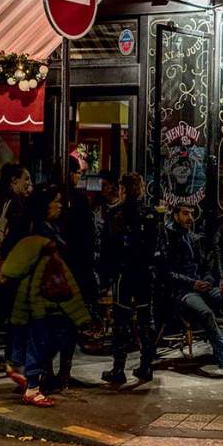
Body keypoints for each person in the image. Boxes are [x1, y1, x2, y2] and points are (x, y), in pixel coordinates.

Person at [0, 186, 90, 407]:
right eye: (56, 202)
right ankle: (32, 385)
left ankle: (25, 372)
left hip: (41, 294)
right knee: (41, 336)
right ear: (45, 206)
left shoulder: (50, 228)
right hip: (41, 294)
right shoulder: (40, 232)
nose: (60, 205)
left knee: (42, 335)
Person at [163, 203, 223, 379]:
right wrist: (193, 283)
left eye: (192, 214)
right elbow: (166, 273)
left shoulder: (193, 238)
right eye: (185, 214)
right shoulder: (168, 237)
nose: (190, 218)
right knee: (206, 313)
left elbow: (206, 267)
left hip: (202, 287)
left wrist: (208, 280)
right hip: (183, 292)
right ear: (175, 215)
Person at [101, 173, 161, 384]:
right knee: (145, 319)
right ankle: (146, 365)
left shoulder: (116, 214)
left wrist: (105, 278)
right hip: (143, 273)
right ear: (142, 188)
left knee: (121, 320)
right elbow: (157, 247)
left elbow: (107, 248)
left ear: (122, 189)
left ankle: (119, 369)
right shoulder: (151, 214)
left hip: (123, 274)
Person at [0, 164, 33, 373]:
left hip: (1, 265)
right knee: (11, 312)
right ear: (14, 181)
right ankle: (10, 358)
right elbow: (15, 238)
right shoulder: (16, 204)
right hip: (11, 265)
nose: (29, 184)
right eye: (26, 179)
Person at [63, 156, 97, 307]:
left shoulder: (56, 195)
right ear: (70, 173)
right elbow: (88, 232)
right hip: (78, 258)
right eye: (77, 172)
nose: (79, 176)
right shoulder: (80, 200)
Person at [92, 171, 123, 292]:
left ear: (112, 186)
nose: (102, 189)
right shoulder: (98, 208)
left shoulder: (121, 209)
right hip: (100, 257)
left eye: (104, 185)